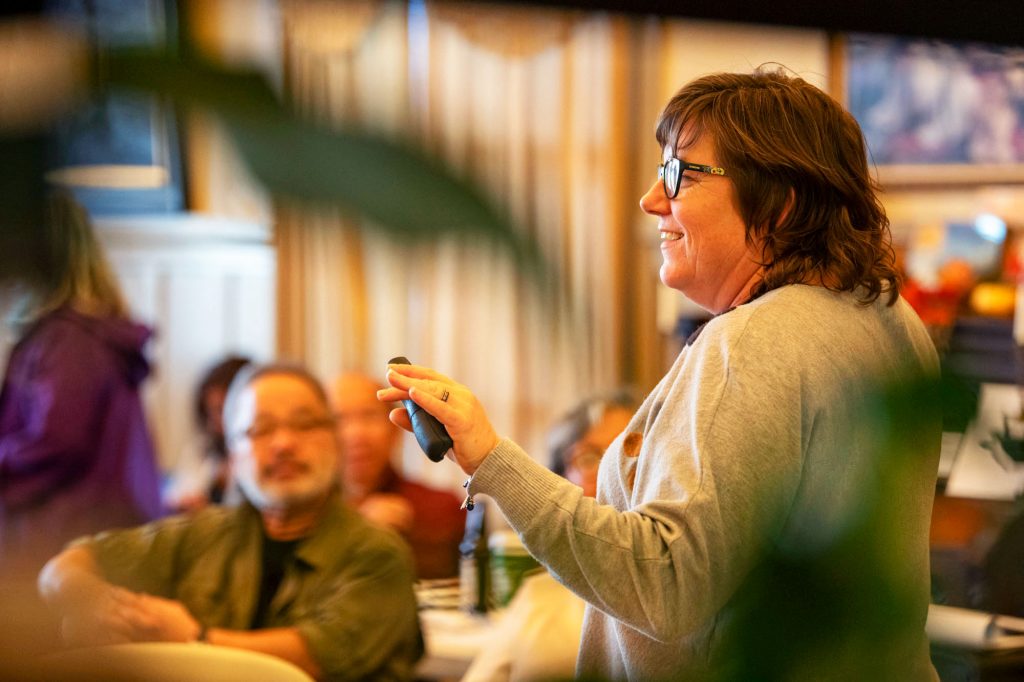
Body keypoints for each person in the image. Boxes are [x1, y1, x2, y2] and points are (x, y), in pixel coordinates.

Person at [381, 68, 942, 680]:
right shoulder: (894, 324)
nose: (651, 198)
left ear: (777, 205)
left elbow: (664, 583)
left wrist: (491, 459)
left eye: (678, 173)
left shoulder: (752, 339)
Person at [38, 363, 423, 681]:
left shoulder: (378, 553)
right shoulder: (201, 534)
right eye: (260, 430)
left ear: (334, 441)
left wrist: (193, 638)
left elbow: (313, 657)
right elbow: (66, 566)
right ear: (234, 457)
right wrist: (102, 605)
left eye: (304, 424)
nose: (283, 444)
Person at [0, 191, 162, 584]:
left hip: (63, 546)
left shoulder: (68, 339)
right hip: (87, 536)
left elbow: (57, 441)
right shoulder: (83, 334)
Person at [461, 393, 634, 682]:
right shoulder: (540, 596)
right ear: (558, 481)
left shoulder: (681, 589)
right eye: (590, 458)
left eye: (627, 456)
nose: (609, 472)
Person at [329, 372, 464, 579]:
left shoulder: (443, 507)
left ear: (396, 429)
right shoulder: (302, 516)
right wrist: (358, 532)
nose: (356, 434)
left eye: (369, 415)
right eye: (338, 419)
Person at [162, 354, 251, 513]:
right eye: (209, 412)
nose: (214, 423)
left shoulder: (257, 457)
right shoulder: (201, 450)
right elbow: (176, 495)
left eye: (221, 410)